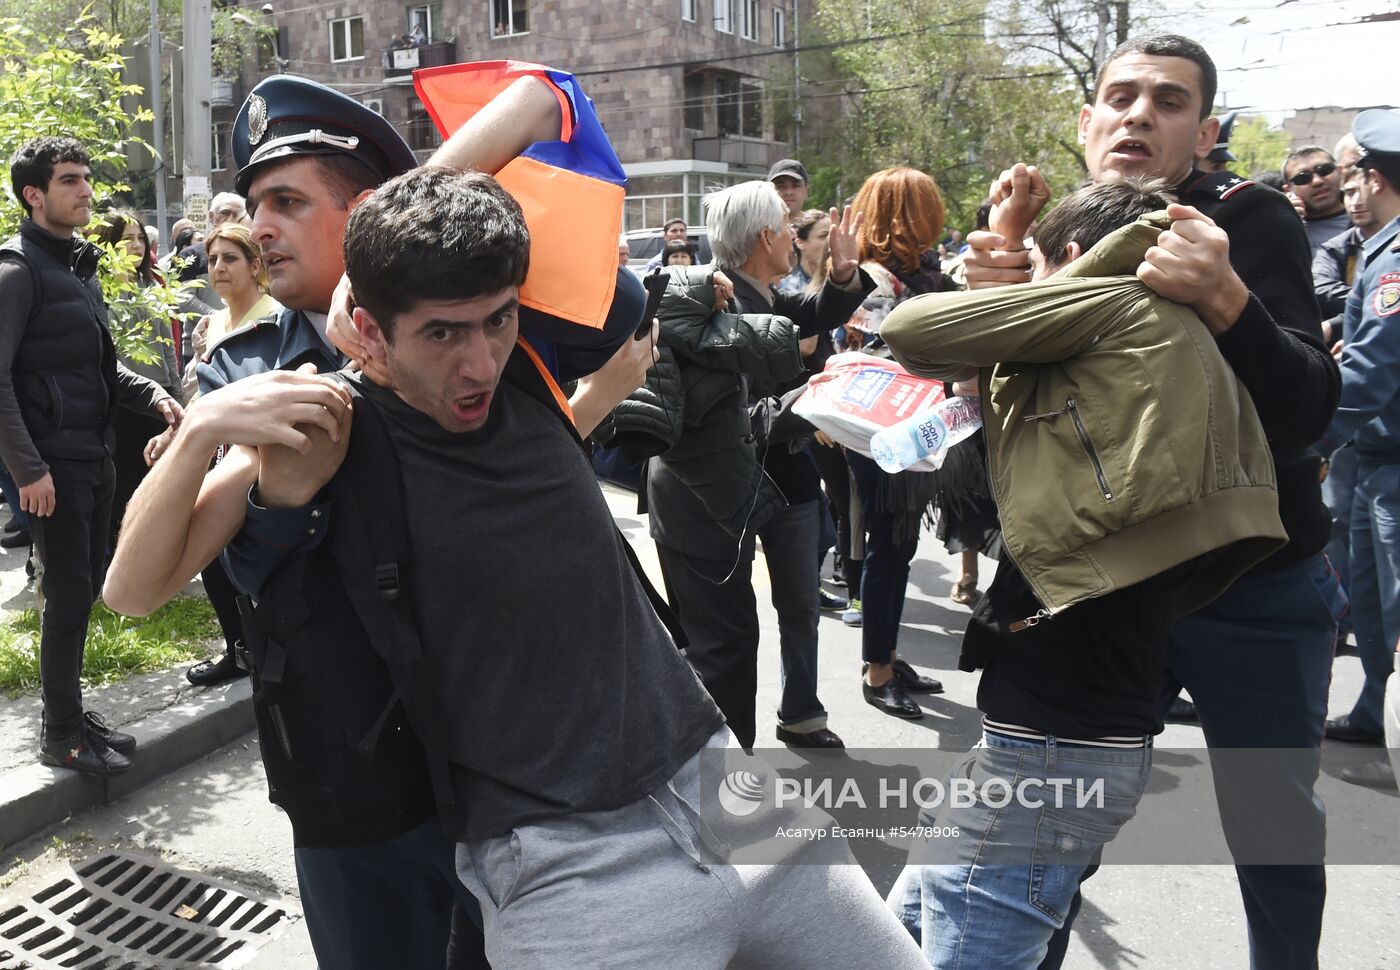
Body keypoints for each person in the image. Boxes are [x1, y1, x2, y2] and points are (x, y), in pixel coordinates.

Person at [104, 67, 663, 970]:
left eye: (287, 200)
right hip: (358, 789)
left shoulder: (476, 309)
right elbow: (137, 589)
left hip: (526, 771)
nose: (260, 227)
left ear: (369, 210)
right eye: (255, 204)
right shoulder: (258, 375)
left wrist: (388, 252)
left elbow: (547, 96)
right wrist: (212, 430)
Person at [958, 34, 1341, 970]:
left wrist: (1229, 301)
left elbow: (1307, 409)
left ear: (1205, 132)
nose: (1139, 114)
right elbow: (980, 422)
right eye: (1120, 97)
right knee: (1041, 836)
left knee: (1274, 827)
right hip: (1093, 588)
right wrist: (985, 309)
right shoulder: (1050, 236)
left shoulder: (1246, 222)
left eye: (1169, 102)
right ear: (1084, 124)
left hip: (1249, 583)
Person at [883, 173, 1288, 970]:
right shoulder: (1160, 330)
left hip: (1054, 743)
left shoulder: (1114, 301)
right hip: (1051, 731)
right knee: (898, 931)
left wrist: (1034, 279)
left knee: (964, 950)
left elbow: (912, 327)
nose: (1032, 285)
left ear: (1072, 258)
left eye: (1037, 266)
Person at [647, 180, 874, 750]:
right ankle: (721, 791)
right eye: (790, 226)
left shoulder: (758, 293)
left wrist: (843, 274)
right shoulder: (713, 306)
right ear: (767, 235)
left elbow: (811, 310)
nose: (798, 239)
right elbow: (729, 424)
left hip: (748, 491)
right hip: (705, 500)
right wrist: (818, 400)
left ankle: (749, 757)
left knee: (748, 631)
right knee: (724, 648)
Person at [0, 136, 182, 776]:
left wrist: (153, 392)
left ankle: (72, 713)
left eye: (85, 178)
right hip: (56, 467)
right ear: (34, 195)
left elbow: (95, 366)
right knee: (70, 595)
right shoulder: (17, 271)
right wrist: (29, 471)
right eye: (70, 180)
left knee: (81, 592)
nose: (86, 191)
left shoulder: (75, 265)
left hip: (93, 454)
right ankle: (60, 734)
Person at [841, 167, 955, 717]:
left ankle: (887, 651)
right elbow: (875, 363)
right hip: (887, 435)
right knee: (889, 550)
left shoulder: (918, 273)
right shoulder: (874, 279)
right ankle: (877, 669)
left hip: (915, 430)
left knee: (900, 549)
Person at [1318, 110, 1400, 794]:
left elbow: (1372, 376)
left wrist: (1305, 441)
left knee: (1394, 603)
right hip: (1375, 460)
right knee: (1372, 603)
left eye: (1352, 177)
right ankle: (1374, 710)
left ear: (1374, 179)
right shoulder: (1382, 251)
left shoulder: (1395, 260)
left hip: (1392, 460)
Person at [180, 221, 281, 688]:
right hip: (215, 456)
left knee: (256, 560)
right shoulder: (215, 322)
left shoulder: (275, 317)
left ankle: (269, 645)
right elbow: (207, 394)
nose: (217, 268)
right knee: (213, 557)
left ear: (256, 266)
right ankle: (236, 648)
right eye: (213, 259)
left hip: (259, 460)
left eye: (229, 259)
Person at [88, 211, 186, 553]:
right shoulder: (100, 290)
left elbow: (167, 344)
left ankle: (148, 549)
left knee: (154, 478)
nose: (137, 245)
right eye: (127, 238)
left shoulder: (152, 285)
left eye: (141, 238)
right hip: (121, 400)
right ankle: (118, 550)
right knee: (123, 478)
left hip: (156, 398)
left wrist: (175, 390)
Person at [1285, 144, 1352, 254]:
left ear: (1340, 172)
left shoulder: (1369, 215)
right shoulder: (1287, 231)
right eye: (1303, 178)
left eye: (1324, 170)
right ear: (1289, 189)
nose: (1317, 181)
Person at [778, 208, 829, 295]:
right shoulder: (788, 290)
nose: (831, 241)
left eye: (835, 235)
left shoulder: (846, 285)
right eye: (824, 236)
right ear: (800, 243)